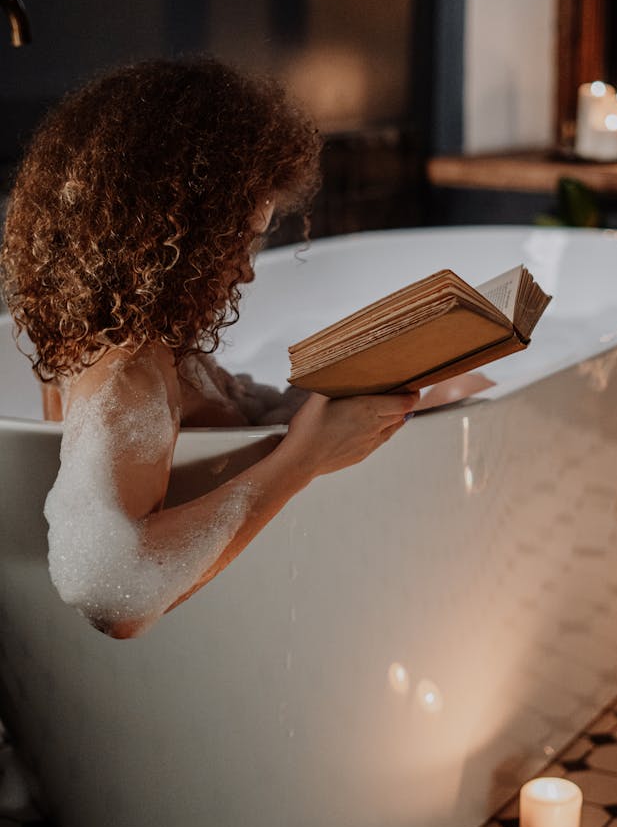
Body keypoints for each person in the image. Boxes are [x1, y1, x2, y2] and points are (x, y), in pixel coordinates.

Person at [0, 57, 417, 640]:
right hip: (210, 653)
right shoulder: (127, 372)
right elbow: (110, 587)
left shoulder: (133, 332)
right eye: (236, 241)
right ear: (178, 237)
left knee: (464, 385)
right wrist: (306, 458)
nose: (246, 271)